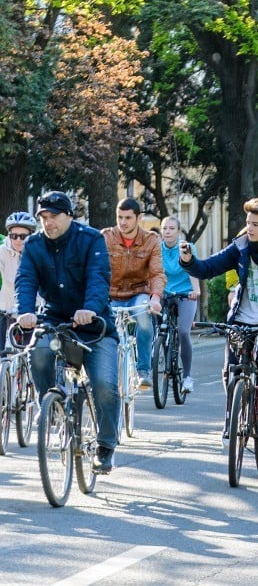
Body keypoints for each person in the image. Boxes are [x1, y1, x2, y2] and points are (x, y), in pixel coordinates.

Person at [17, 191, 121, 473]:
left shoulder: (91, 240)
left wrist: (89, 309)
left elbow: (98, 278)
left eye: (53, 217)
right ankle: (48, 405)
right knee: (37, 352)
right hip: (55, 320)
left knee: (104, 387)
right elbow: (25, 280)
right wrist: (24, 311)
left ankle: (106, 446)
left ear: (69, 217)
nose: (48, 223)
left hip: (94, 325)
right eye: (43, 218)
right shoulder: (34, 245)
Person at [181, 199, 258, 441]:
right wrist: (188, 261)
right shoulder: (240, 247)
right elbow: (208, 268)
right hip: (241, 320)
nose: (250, 228)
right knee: (231, 370)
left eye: (255, 224)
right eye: (248, 223)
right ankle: (232, 418)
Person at [102, 197, 166, 390]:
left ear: (138, 218)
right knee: (102, 329)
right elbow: (95, 270)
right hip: (111, 295)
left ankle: (143, 370)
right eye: (120, 217)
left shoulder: (151, 240)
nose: (123, 222)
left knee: (145, 321)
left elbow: (157, 273)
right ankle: (104, 371)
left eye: (128, 218)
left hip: (139, 293)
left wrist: (155, 298)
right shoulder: (105, 237)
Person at [159, 216, 201, 393]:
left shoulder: (185, 247)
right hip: (164, 292)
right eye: (165, 228)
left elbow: (191, 268)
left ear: (178, 231)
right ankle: (160, 354)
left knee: (183, 332)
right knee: (158, 328)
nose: (167, 231)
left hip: (186, 293)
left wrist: (196, 290)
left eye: (171, 228)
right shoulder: (157, 248)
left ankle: (187, 377)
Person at [0, 212, 40, 349]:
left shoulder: (39, 252)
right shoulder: (2, 252)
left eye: (23, 236)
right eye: (13, 236)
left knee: (30, 351)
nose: (18, 240)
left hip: (32, 309)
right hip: (5, 308)